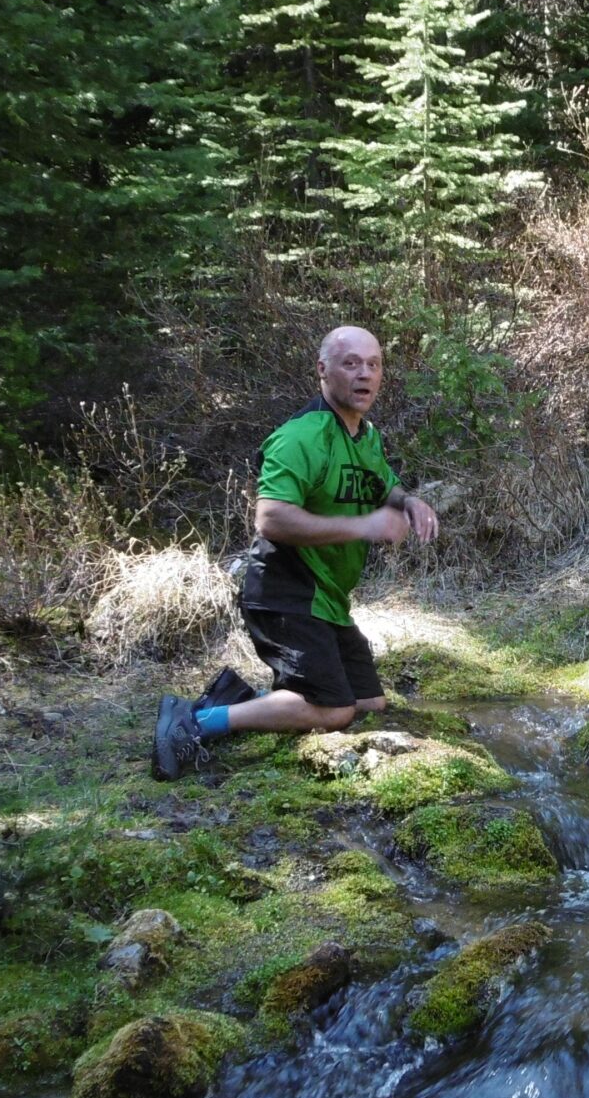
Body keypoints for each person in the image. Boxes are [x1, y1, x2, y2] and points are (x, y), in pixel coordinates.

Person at [153, 324, 440, 778]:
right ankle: (196, 721)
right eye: (351, 363)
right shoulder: (300, 437)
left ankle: (240, 699)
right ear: (323, 371)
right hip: (285, 591)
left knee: (370, 702)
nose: (364, 374)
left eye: (373, 364)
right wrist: (361, 525)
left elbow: (385, 486)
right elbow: (270, 519)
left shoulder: (366, 437)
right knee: (335, 712)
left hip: (327, 599)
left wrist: (409, 501)